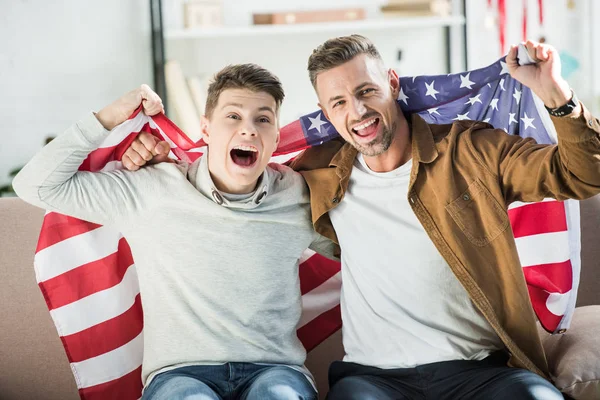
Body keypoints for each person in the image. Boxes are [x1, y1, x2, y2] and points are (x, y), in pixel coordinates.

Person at [127, 36, 600, 399]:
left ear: (393, 83)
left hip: (482, 371)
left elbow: (583, 176)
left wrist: (556, 95)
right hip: (373, 382)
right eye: (338, 102)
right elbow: (234, 175)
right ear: (326, 113)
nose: (357, 111)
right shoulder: (314, 175)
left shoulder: (472, 150)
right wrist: (157, 157)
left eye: (366, 90)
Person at [13, 64, 337, 400]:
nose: (249, 130)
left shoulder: (300, 196)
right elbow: (34, 185)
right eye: (233, 116)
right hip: (180, 375)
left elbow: (360, 247)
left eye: (263, 119)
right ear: (206, 130)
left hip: (276, 370)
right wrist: (111, 115)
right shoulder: (151, 190)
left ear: (276, 138)